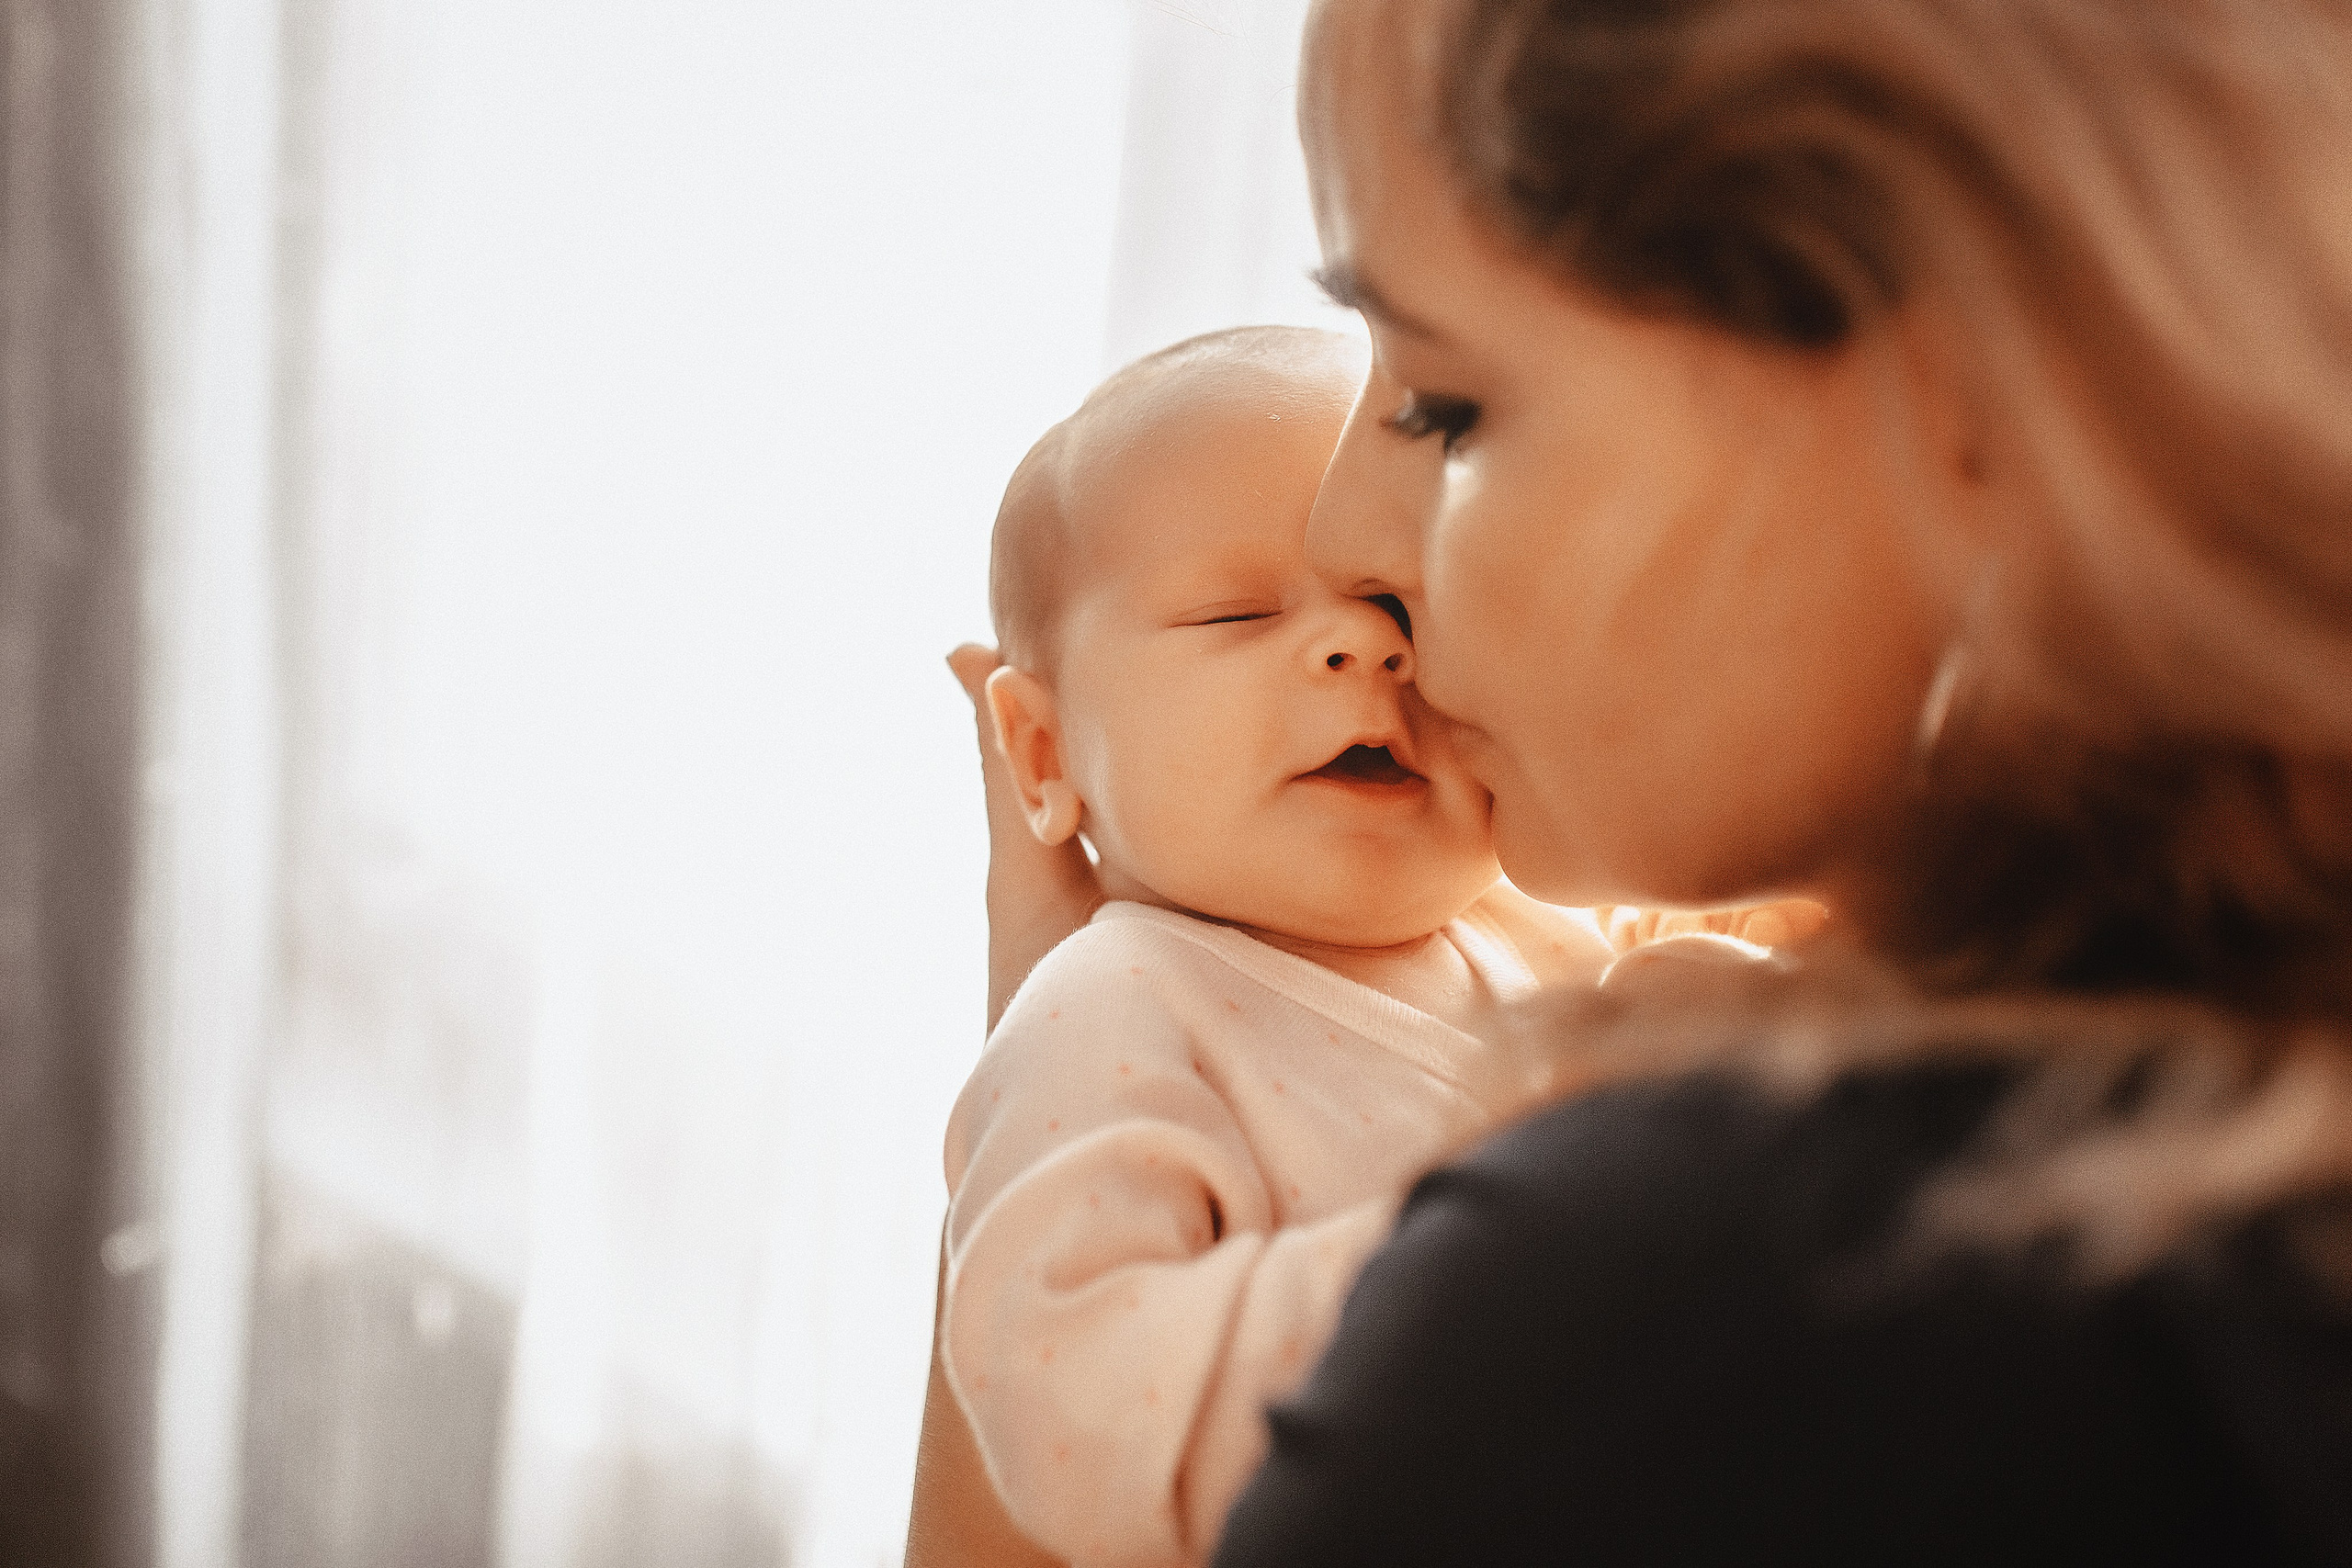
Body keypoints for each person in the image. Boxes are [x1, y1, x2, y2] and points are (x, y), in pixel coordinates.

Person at [1200, 0, 2352, 1561]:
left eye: (1448, 403)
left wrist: (1043, 1095)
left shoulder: (1714, 1301)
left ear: (1974, 381)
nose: (1343, 540)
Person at [937, 324, 1625, 1566]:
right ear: (1042, 755)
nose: (1363, 647)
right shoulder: (1113, 1004)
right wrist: (1479, 1265)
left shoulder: (1528, 939)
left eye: (1400, 601)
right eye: (1236, 611)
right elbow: (1078, 1400)